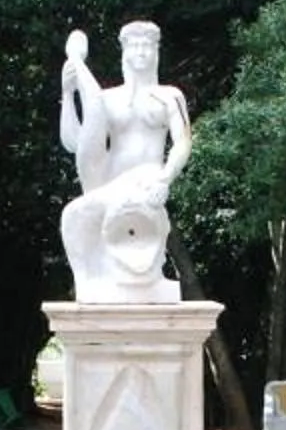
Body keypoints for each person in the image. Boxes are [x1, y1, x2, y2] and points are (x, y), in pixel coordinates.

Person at [54, 21, 191, 302]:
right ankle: (87, 282)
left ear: (157, 51)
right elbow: (76, 143)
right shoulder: (107, 98)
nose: (141, 52)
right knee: (72, 216)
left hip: (147, 180)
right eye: (135, 46)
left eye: (147, 46)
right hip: (110, 184)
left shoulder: (170, 96)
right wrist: (68, 95)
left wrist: (165, 178)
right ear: (124, 52)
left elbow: (183, 141)